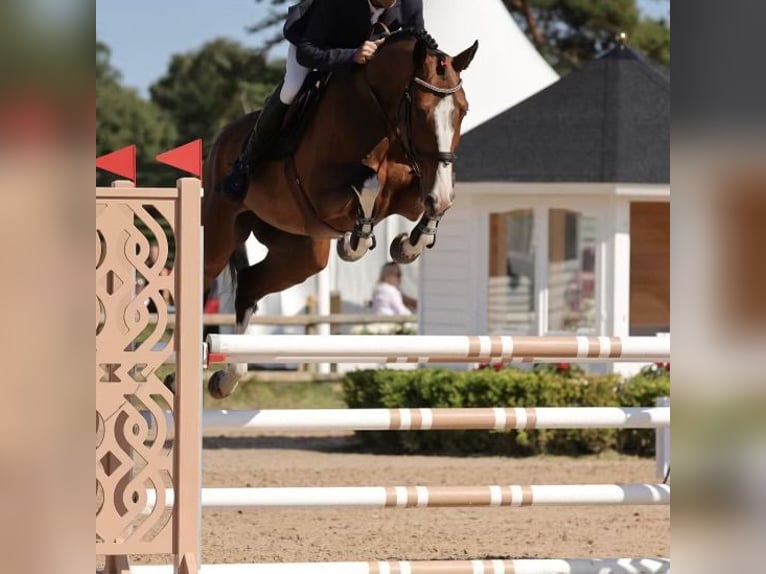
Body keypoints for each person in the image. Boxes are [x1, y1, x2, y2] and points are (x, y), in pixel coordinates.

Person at [220, 0, 426, 203]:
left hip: (368, 58)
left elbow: (418, 48)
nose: (393, 2)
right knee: (291, 89)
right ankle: (245, 164)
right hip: (317, 46)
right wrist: (352, 55)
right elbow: (307, 51)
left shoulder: (410, 3)